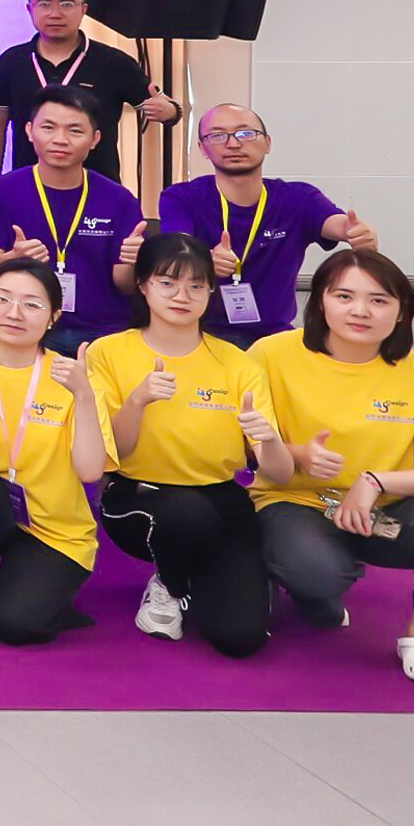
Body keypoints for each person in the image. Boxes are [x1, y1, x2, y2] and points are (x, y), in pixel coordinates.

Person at [253, 249, 414, 689]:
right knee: (315, 573)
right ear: (320, 301)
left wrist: (376, 481)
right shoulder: (271, 354)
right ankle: (306, 584)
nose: (360, 311)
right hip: (297, 502)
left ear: (402, 312)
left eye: (379, 300)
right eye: (344, 296)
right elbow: (242, 445)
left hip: (382, 514)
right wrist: (298, 453)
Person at [92, 232, 286, 656]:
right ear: (143, 285)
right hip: (139, 495)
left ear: (211, 291)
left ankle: (214, 576)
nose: (182, 296)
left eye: (196, 285)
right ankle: (170, 581)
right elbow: (112, 455)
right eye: (167, 282)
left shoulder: (237, 362)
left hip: (220, 498)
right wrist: (138, 401)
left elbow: (279, 472)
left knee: (241, 638)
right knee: (187, 515)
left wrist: (270, 439)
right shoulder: (107, 353)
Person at [0, 260, 109, 644]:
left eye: (31, 304)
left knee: (14, 624)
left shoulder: (74, 377)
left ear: (53, 316)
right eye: (2, 299)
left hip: (54, 529)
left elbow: (91, 471)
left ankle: (36, 593)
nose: (14, 313)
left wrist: (84, 397)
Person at [157, 106, 375, 347]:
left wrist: (354, 233)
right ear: (202, 148)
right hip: (200, 336)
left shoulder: (297, 197)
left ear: (268, 143)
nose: (233, 144)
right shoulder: (182, 197)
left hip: (274, 338)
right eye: (218, 135)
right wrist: (203, 260)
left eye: (245, 133)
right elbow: (176, 247)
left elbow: (335, 223)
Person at [0, 86, 146, 352]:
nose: (60, 139)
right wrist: (13, 258)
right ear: (29, 131)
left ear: (95, 139)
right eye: (48, 128)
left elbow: (124, 283)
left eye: (75, 131)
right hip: (27, 329)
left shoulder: (119, 199)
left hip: (102, 333)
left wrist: (134, 261)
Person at [0, 0, 178, 179]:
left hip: (97, 184)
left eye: (66, 4)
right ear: (30, 9)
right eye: (44, 4)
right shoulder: (12, 60)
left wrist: (170, 112)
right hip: (28, 184)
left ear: (83, 9)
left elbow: (168, 107)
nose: (55, 14)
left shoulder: (114, 62)